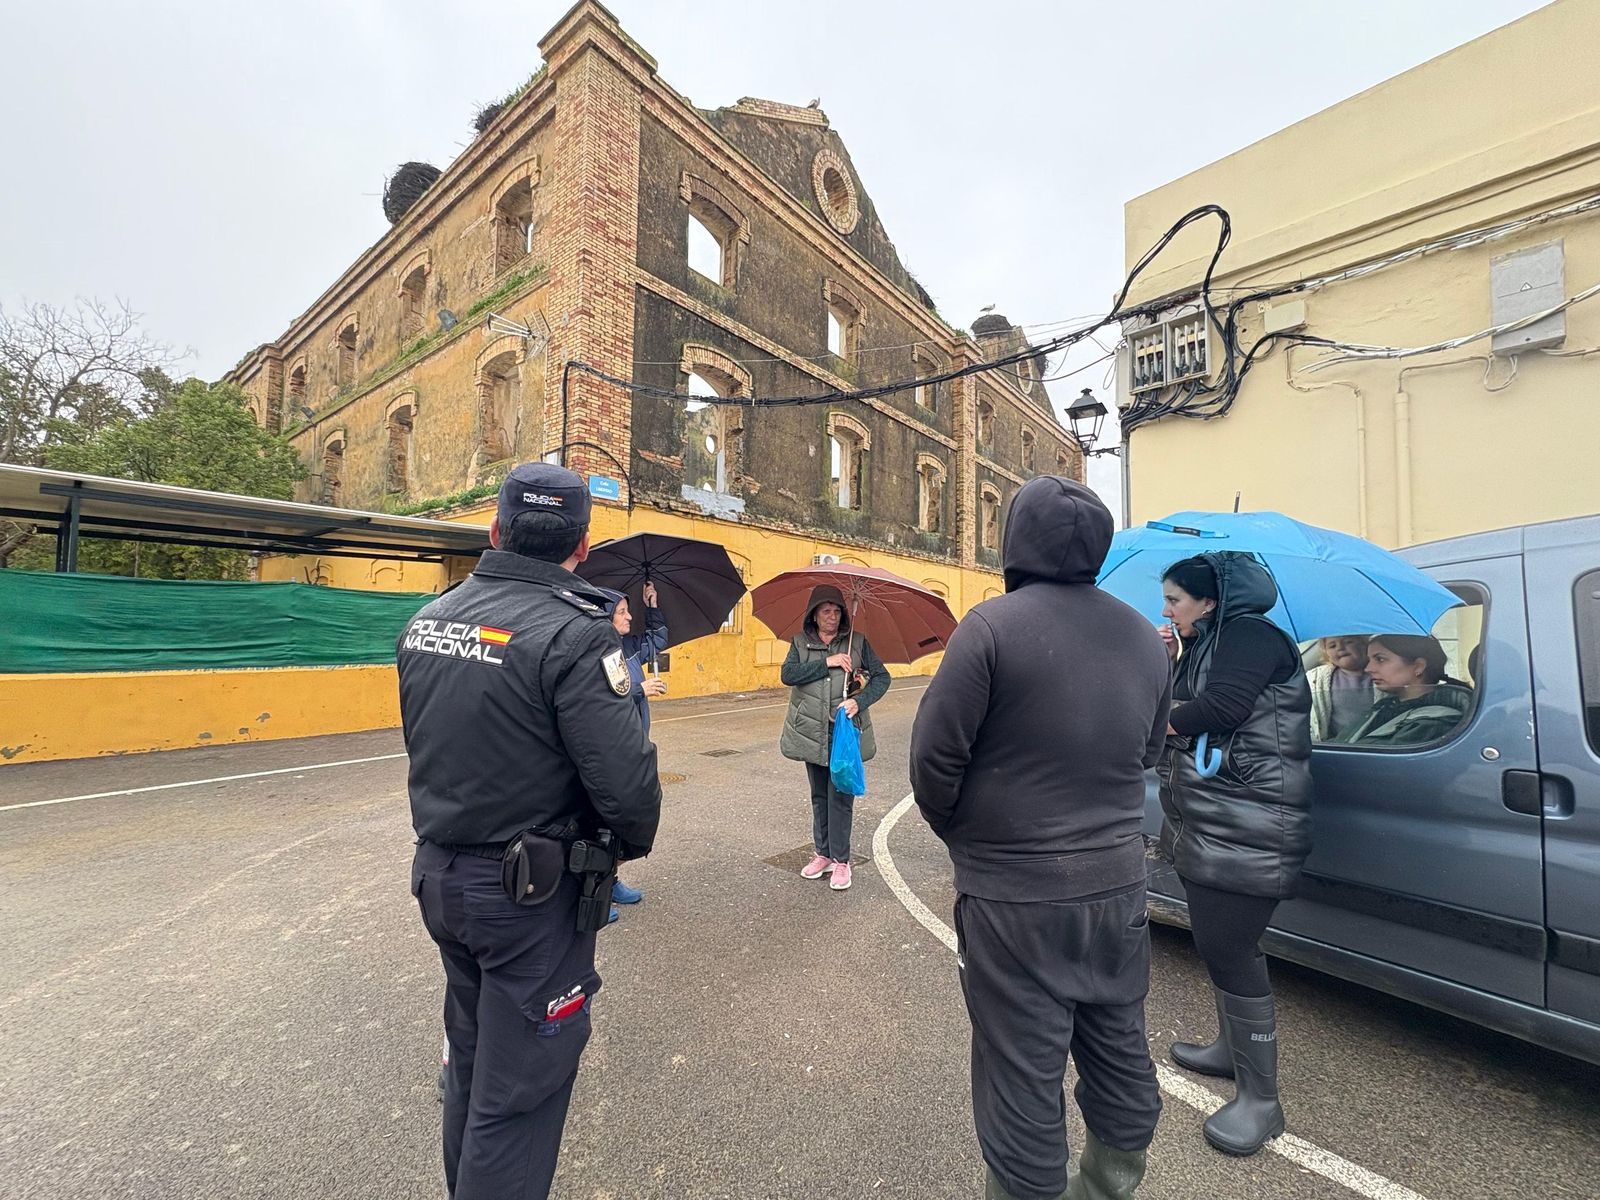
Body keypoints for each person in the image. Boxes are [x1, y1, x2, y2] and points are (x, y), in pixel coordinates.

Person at [398, 462, 662, 1200]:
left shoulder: (428, 620)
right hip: (527, 899)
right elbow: (630, 792)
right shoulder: (577, 634)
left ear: (495, 529)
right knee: (520, 1096)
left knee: (475, 1069)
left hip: (443, 877)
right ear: (583, 543)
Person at [910, 477, 1173, 1200]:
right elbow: (1147, 754)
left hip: (1014, 895)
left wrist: (969, 838)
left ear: (1014, 540)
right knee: (1118, 1038)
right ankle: (1111, 1182)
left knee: (1021, 1066)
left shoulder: (991, 627)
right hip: (1116, 885)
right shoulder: (1146, 640)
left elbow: (934, 762)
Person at [1157, 552, 1312, 1157]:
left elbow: (1220, 711)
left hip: (1253, 825)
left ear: (1210, 600)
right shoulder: (1210, 642)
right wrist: (1171, 659)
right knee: (1223, 946)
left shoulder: (1250, 636)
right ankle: (1230, 1051)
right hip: (1218, 822)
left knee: (1229, 948)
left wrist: (1151, 717)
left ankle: (1262, 1102)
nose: (1166, 609)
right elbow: (1196, 705)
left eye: (1174, 599)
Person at [778, 584, 890, 890]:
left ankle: (842, 861)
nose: (832, 616)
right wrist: (826, 662)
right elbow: (788, 675)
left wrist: (858, 701)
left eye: (837, 611)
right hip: (811, 733)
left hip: (843, 734)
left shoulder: (857, 642)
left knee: (840, 796)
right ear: (814, 615)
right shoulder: (800, 643)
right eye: (826, 611)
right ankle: (823, 854)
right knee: (818, 796)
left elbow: (882, 678)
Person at [596, 583, 669, 917]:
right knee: (602, 822)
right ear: (607, 617)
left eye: (629, 610)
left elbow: (658, 639)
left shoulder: (630, 645)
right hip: (609, 748)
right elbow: (599, 699)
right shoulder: (595, 652)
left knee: (626, 821)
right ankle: (594, 892)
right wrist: (640, 689)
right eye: (622, 612)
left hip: (634, 744)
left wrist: (651, 605)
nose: (629, 616)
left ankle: (610, 881)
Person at [1340, 633, 1473, 747]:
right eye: (1369, 660)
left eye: (1380, 659)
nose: (1368, 668)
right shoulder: (1384, 707)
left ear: (1418, 667)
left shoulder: (1434, 722)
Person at [1307, 635, 1373, 741]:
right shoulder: (1316, 679)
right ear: (1326, 653)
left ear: (1364, 644)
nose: (1340, 648)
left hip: (1375, 743)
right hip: (1338, 745)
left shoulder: (1381, 674)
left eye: (1348, 642)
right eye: (1332, 646)